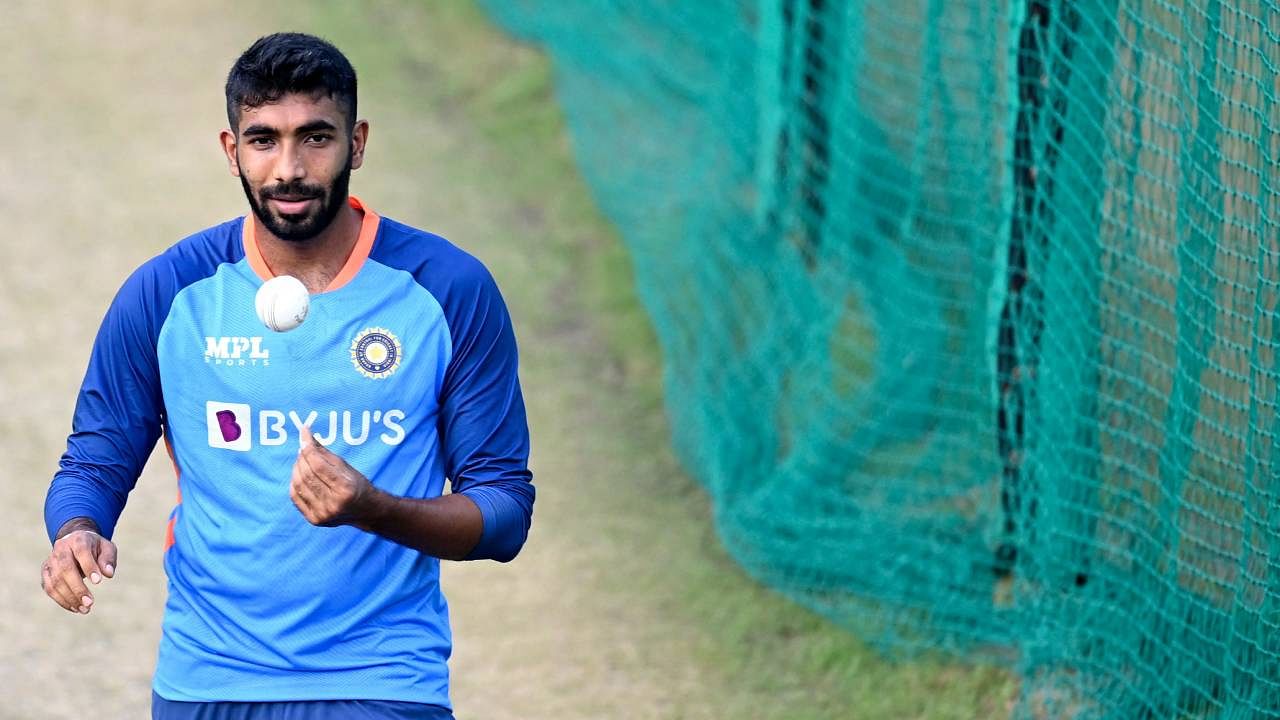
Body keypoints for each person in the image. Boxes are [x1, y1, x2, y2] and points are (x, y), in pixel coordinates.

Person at [40, 32, 535, 720]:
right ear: (231, 149)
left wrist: (372, 507)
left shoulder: (447, 289)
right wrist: (76, 528)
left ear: (357, 143)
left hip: (383, 683)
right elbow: (95, 456)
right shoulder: (169, 293)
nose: (290, 168)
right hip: (208, 681)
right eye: (264, 140)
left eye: (316, 138)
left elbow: (504, 513)